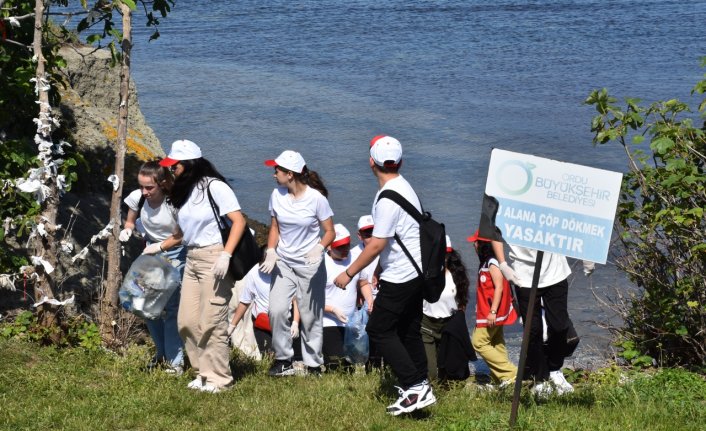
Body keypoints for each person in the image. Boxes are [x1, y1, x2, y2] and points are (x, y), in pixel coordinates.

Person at [333, 135, 436, 416]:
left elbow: (377, 243)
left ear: (371, 162)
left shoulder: (386, 198)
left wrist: (349, 273)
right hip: (416, 270)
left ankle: (415, 385)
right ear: (400, 162)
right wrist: (379, 267)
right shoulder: (404, 186)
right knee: (408, 330)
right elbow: (399, 235)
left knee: (378, 329)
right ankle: (421, 384)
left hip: (402, 275)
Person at [159, 139, 248, 393]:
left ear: (188, 164)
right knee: (186, 320)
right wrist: (159, 247)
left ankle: (219, 379)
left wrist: (226, 255)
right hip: (193, 257)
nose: (171, 170)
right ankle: (201, 373)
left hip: (215, 257)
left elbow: (238, 221)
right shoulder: (185, 190)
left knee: (212, 321)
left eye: (174, 165)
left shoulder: (215, 187)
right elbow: (180, 232)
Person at [259, 150, 335, 376]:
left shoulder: (316, 199)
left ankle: (313, 365)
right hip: (283, 262)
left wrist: (319, 248)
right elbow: (274, 227)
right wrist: (271, 250)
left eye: (277, 170)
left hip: (309, 265)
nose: (274, 174)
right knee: (277, 309)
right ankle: (284, 360)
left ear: (290, 174)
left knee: (311, 315)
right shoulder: (276, 194)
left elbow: (329, 231)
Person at [120, 161, 185, 375]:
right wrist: (128, 230)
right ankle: (160, 354)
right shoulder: (137, 198)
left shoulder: (173, 203)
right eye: (141, 186)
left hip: (174, 255)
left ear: (162, 184)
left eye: (150, 187)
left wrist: (160, 246)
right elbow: (130, 220)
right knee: (143, 305)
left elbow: (182, 235)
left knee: (171, 309)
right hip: (150, 255)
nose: (145, 192)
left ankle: (175, 362)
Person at [492, 241, 575, 396]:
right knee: (533, 329)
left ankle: (554, 369)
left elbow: (573, 221)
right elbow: (494, 232)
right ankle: (540, 378)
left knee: (560, 326)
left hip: (556, 272)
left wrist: (588, 256)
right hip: (523, 276)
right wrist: (502, 264)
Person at [468, 230, 517, 387]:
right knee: (496, 342)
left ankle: (511, 373)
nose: (473, 245)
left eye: (476, 242)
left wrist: (493, 311)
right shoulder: (486, 262)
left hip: (492, 312)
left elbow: (499, 287)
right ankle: (501, 379)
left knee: (478, 342)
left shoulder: (492, 262)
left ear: (483, 245)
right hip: (491, 311)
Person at [421, 235, 471, 382]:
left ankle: (443, 397)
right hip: (426, 325)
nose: (442, 257)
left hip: (448, 325)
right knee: (430, 371)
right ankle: (428, 393)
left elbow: (462, 301)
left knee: (447, 369)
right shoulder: (423, 272)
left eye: (446, 253)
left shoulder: (457, 274)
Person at [322, 224, 361, 371]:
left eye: (347, 245)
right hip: (328, 321)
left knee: (351, 365)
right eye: (340, 247)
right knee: (336, 364)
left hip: (350, 322)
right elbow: (309, 301)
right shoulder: (321, 264)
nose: (345, 250)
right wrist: (332, 310)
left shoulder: (355, 258)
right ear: (329, 247)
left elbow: (362, 282)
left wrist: (369, 299)